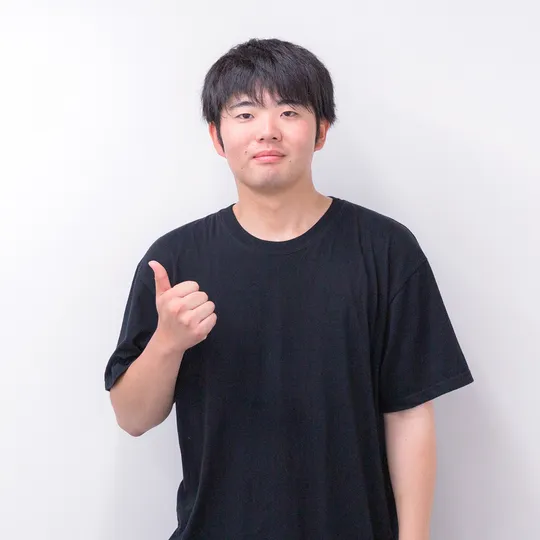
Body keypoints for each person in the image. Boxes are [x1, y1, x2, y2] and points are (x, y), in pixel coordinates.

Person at [104, 37, 474, 540]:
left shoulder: (386, 250)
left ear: (321, 131)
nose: (268, 131)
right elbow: (132, 417)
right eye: (245, 114)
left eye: (290, 111)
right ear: (216, 136)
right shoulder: (174, 260)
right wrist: (167, 341)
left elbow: (409, 415)